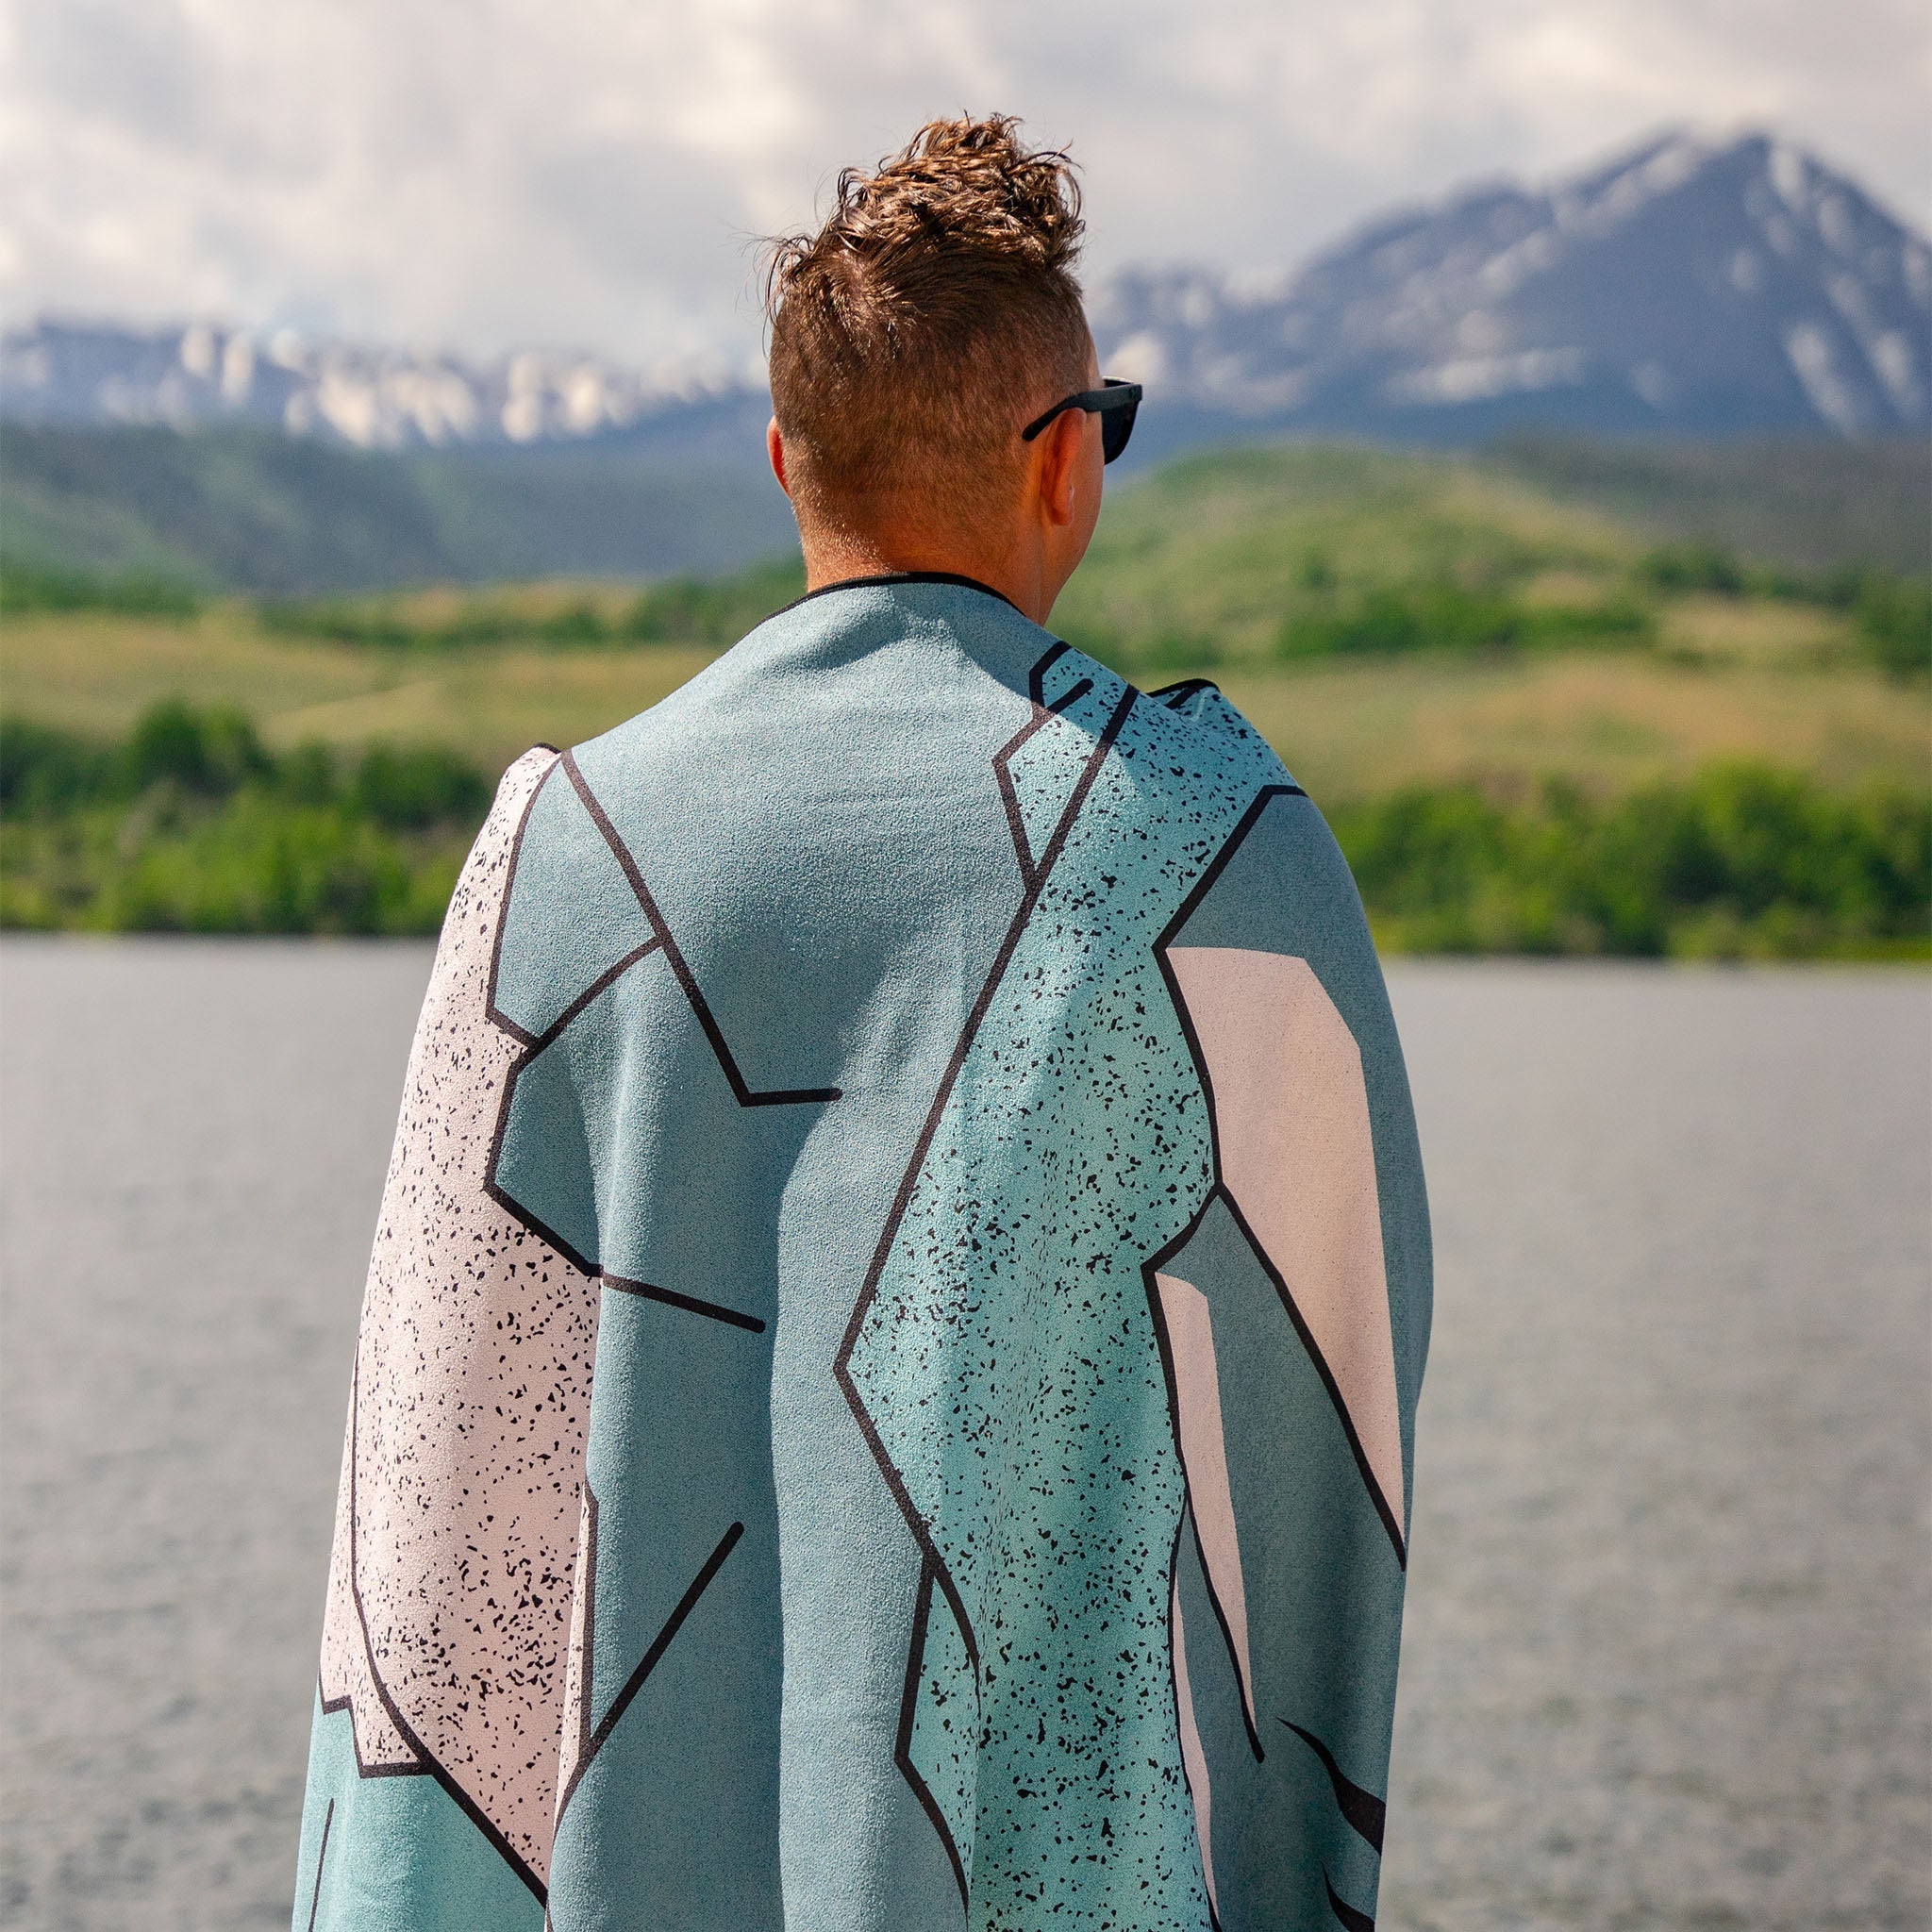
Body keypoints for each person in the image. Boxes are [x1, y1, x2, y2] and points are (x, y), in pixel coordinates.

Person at [292, 114, 1430, 1932]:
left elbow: (432, 1513)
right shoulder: (1211, 852)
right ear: (1065, 463)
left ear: (783, 464)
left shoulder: (552, 853)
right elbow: (1321, 1472)